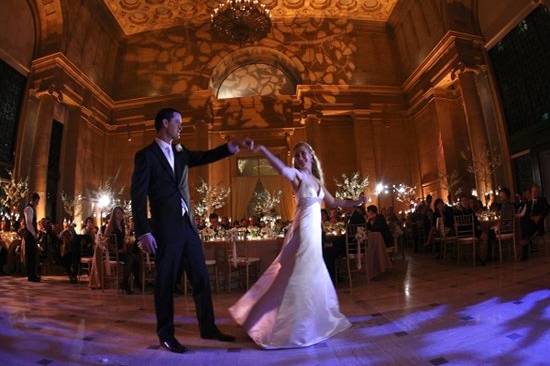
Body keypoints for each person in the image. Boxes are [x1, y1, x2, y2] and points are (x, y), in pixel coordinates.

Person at [131, 107, 250, 353]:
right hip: (165, 229)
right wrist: (143, 231)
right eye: (178, 122)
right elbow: (138, 195)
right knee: (165, 282)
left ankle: (208, 328)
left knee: (201, 278)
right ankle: (165, 334)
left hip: (188, 227)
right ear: (165, 123)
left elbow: (203, 157)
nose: (181, 126)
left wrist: (231, 147)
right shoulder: (146, 155)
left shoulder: (181, 151)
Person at [229, 141, 364, 349]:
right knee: (300, 274)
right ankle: (291, 327)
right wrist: (262, 149)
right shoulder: (298, 176)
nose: (299, 158)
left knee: (301, 274)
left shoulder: (317, 180)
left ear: (311, 155)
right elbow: (282, 169)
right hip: (304, 232)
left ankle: (291, 322)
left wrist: (355, 202)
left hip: (314, 233)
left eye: (302, 154)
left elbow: (335, 202)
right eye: (296, 156)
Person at [23, 193, 40, 282]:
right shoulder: (28, 209)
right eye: (37, 201)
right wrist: (34, 234)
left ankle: (33, 275)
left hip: (31, 235)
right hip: (29, 235)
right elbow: (29, 223)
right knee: (31, 256)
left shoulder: (31, 209)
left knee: (33, 255)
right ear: (34, 200)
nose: (37, 204)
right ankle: (31, 276)